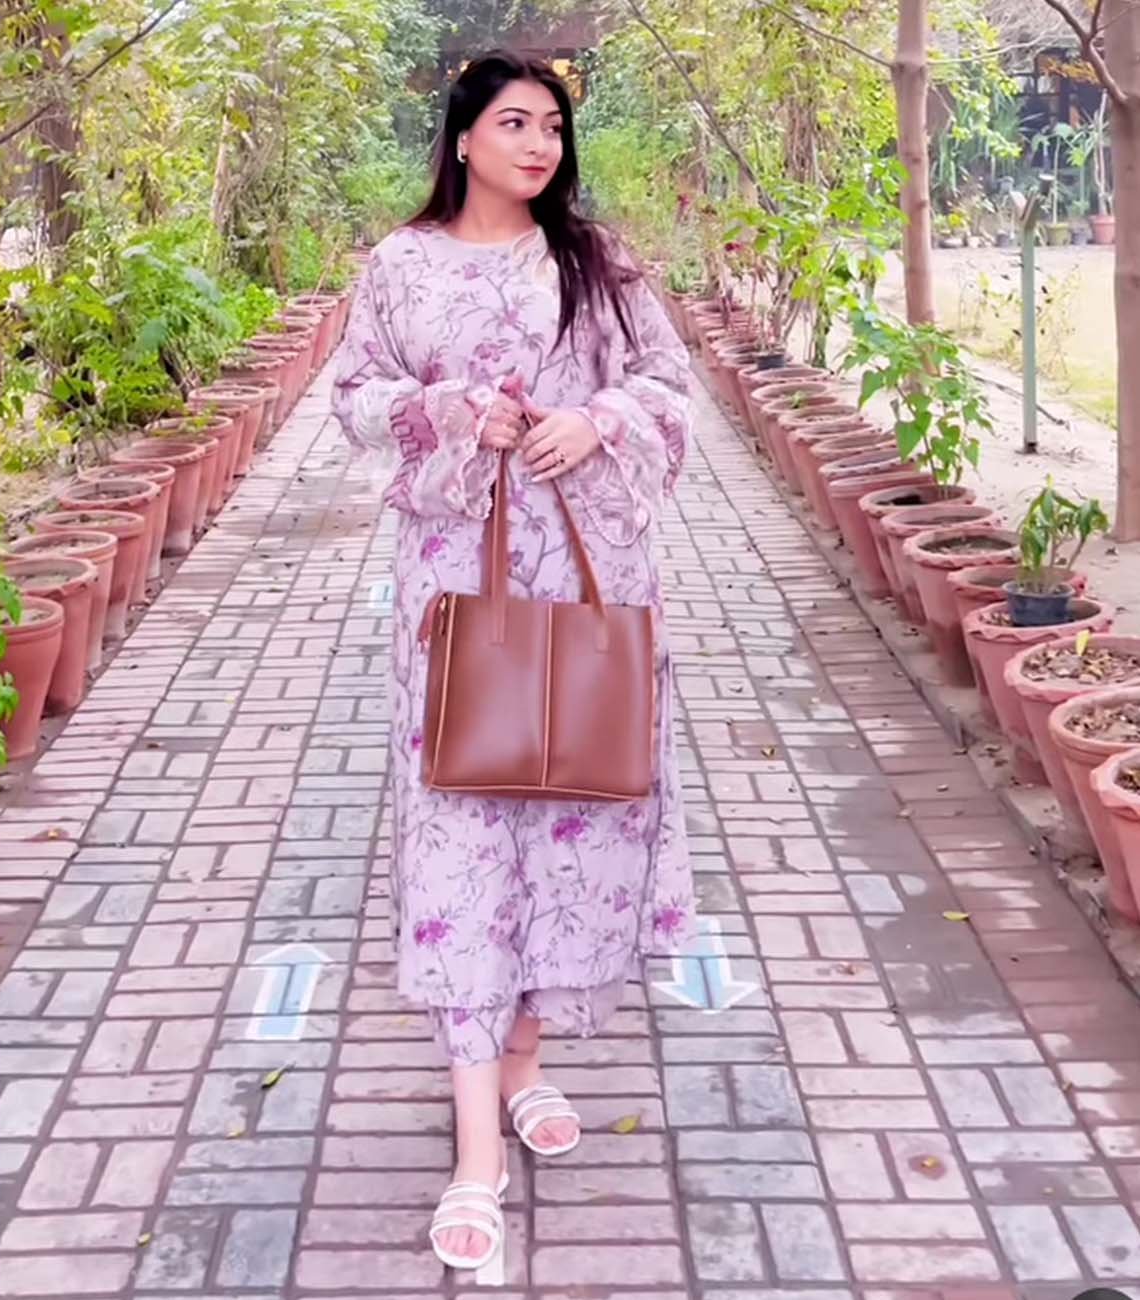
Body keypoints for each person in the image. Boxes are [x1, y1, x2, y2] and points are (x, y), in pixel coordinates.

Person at [331, 49, 694, 1273]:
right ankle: (475, 1144)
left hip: (589, 585)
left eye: (552, 127)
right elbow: (355, 393)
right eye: (514, 123)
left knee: (566, 822)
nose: (539, 145)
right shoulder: (400, 265)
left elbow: (668, 383)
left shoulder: (597, 263)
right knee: (463, 834)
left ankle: (526, 1060)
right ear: (463, 138)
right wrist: (447, 412)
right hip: (457, 600)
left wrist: (598, 418)